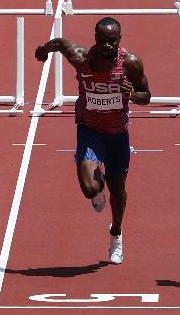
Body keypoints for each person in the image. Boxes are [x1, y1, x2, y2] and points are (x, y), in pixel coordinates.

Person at [34, 17, 151, 264]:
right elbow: (61, 42)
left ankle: (116, 233)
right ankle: (95, 186)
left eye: (112, 41)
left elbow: (146, 96)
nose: (107, 46)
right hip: (90, 130)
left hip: (118, 134)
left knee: (117, 190)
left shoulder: (130, 64)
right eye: (102, 41)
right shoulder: (81, 58)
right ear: (95, 39)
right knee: (91, 189)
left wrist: (132, 95)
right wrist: (44, 49)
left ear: (120, 41)